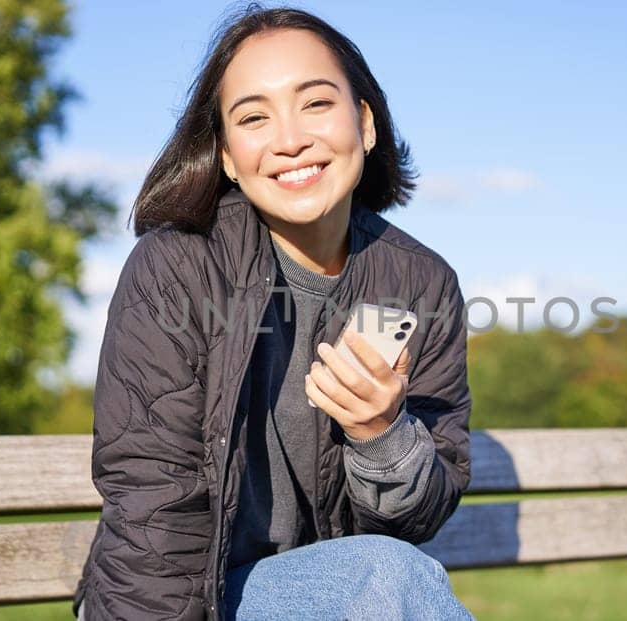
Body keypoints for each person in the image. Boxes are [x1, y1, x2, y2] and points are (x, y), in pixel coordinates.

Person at [71, 5, 475, 620]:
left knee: (386, 575)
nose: (290, 140)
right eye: (254, 117)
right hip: (186, 599)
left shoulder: (422, 283)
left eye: (315, 104)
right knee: (386, 578)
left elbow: (418, 518)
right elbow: (153, 506)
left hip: (339, 594)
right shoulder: (175, 268)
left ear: (364, 124)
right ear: (229, 156)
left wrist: (380, 437)